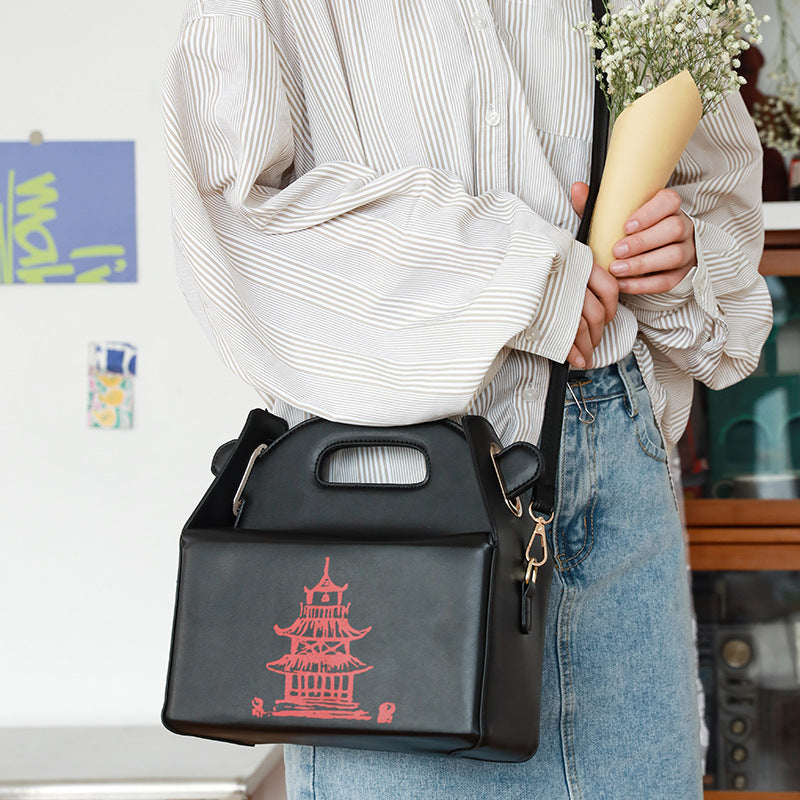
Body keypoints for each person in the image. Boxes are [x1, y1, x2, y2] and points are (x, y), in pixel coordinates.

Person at [162, 0, 772, 797]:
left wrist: (674, 254)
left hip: (617, 485)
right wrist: (524, 280)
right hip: (401, 517)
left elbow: (717, 191)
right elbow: (231, 218)